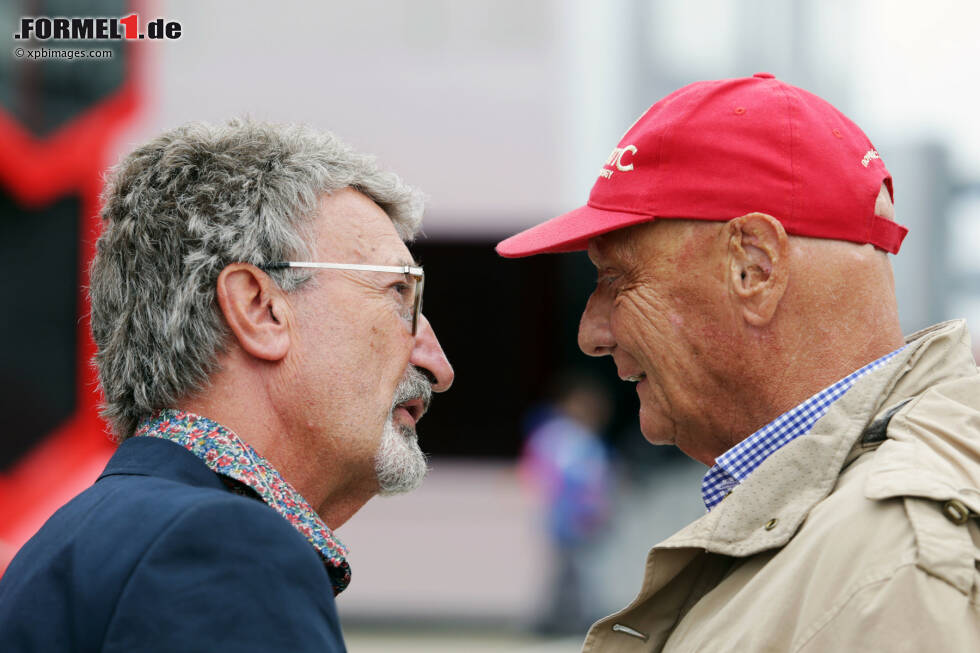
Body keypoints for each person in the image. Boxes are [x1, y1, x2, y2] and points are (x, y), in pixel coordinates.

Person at [497, 74, 980, 651]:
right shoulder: (861, 537)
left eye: (616, 278)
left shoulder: (893, 561)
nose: (591, 335)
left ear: (754, 267)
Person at [0, 119, 454, 652]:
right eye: (398, 292)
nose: (439, 365)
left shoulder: (81, 538)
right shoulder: (224, 546)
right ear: (259, 309)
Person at [519, 373, 613, 634]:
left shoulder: (585, 439)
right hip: (564, 518)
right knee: (567, 569)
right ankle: (561, 618)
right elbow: (543, 474)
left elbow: (598, 481)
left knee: (574, 569)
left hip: (582, 519)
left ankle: (564, 617)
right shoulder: (558, 436)